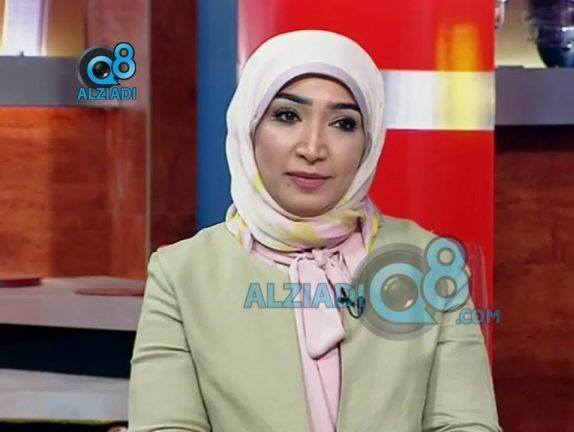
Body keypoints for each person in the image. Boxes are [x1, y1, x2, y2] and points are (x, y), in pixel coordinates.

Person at [128, 29, 500, 432]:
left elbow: (466, 425)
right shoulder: (181, 274)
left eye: (343, 123)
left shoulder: (430, 264)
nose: (312, 148)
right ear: (249, 127)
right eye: (287, 116)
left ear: (368, 142)